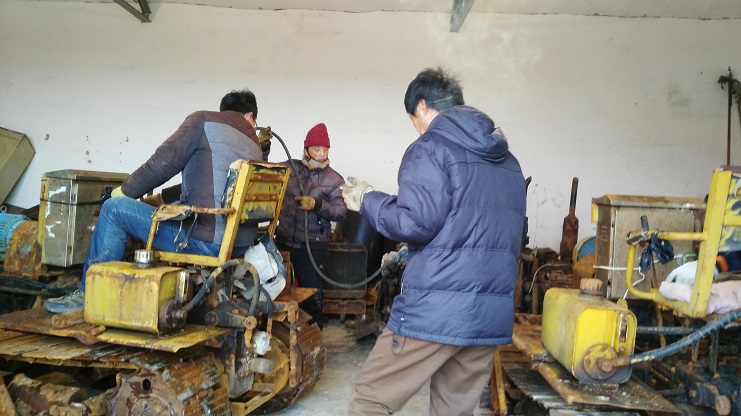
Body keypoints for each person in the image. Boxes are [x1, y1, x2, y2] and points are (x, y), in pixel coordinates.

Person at [342, 68, 527, 415]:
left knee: (370, 400)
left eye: (413, 118)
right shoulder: (508, 162)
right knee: (453, 410)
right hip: (488, 316)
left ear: (423, 106)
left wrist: (367, 199)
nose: (416, 127)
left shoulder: (430, 147)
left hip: (436, 309)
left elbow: (415, 222)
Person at [45, 90, 266, 313]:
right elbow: (210, 185)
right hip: (239, 243)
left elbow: (163, 163)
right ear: (250, 116)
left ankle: (89, 294)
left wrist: (124, 192)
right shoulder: (254, 145)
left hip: (206, 242)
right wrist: (160, 198)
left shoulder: (204, 121)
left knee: (113, 209)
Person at [274, 123, 347, 329]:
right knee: (278, 291)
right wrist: (264, 147)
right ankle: (283, 334)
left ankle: (315, 334)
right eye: (317, 149)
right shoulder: (289, 169)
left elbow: (341, 212)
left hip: (313, 247)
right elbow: (262, 171)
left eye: (325, 150)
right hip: (284, 242)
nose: (322, 155)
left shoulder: (334, 179)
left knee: (312, 295)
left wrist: (317, 205)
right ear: (306, 150)